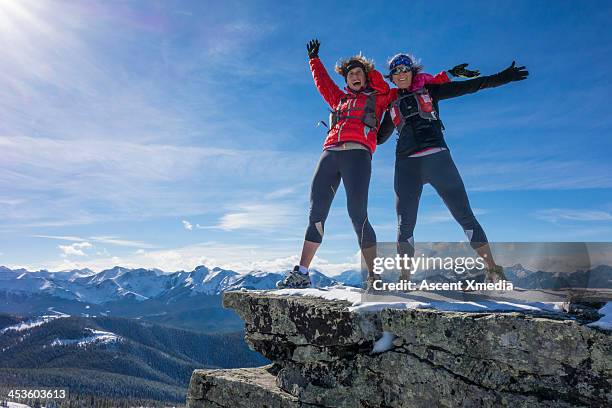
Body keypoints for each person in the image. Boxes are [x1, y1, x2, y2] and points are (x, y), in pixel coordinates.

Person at [377, 53, 529, 283]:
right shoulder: (390, 103)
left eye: (405, 69)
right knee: (404, 225)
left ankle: (492, 269)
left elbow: (472, 86)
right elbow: (379, 138)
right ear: (391, 76)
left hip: (438, 159)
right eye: (396, 71)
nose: (401, 74)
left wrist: (503, 77)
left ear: (412, 71)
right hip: (406, 166)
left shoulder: (431, 90)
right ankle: (405, 277)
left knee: (464, 216)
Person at [276, 39, 397, 289]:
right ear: (346, 80)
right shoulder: (338, 99)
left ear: (366, 78)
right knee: (316, 214)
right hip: (329, 154)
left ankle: (374, 277)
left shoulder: (379, 97)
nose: (354, 77)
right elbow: (323, 83)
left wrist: (365, 66)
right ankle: (301, 272)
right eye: (351, 74)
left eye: (358, 74)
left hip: (358, 155)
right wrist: (314, 60)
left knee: (357, 214)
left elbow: (381, 83)